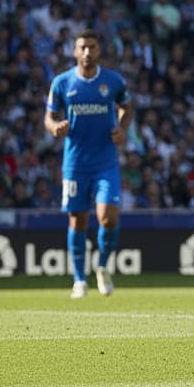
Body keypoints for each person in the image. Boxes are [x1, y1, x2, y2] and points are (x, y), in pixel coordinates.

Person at [44, 29, 134, 298]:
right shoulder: (62, 83)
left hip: (105, 161)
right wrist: (54, 128)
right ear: (74, 51)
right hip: (75, 163)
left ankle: (103, 267)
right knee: (78, 219)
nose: (87, 52)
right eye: (82, 47)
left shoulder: (113, 81)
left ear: (99, 50)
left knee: (109, 217)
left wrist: (122, 128)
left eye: (92, 47)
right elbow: (49, 118)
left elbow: (127, 108)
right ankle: (79, 280)